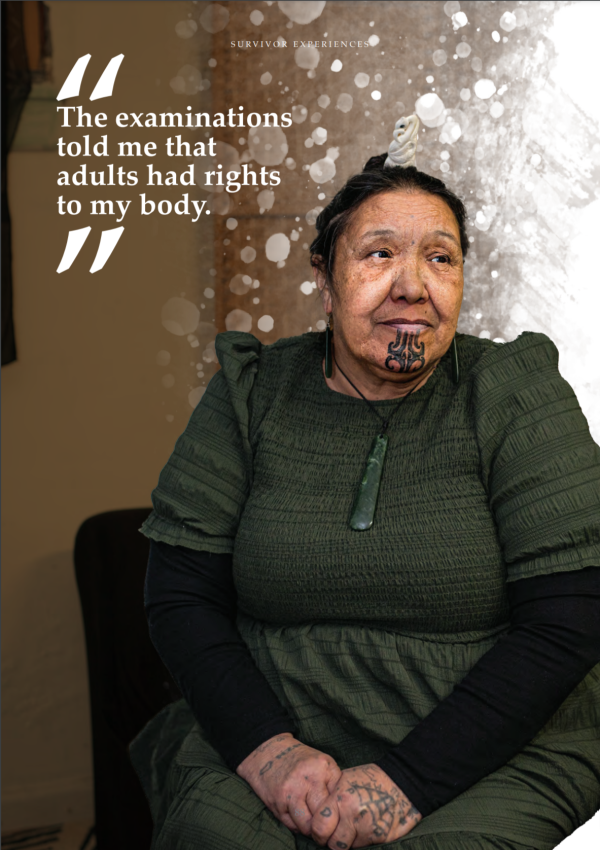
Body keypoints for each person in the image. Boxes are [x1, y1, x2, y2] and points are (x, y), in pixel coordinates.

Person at [129, 116, 600, 850]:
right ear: (323, 276)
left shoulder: (515, 393)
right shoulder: (253, 394)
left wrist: (403, 783)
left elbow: (570, 618)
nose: (412, 286)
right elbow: (180, 596)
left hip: (494, 748)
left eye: (440, 259)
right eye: (379, 254)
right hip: (269, 739)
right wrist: (272, 754)